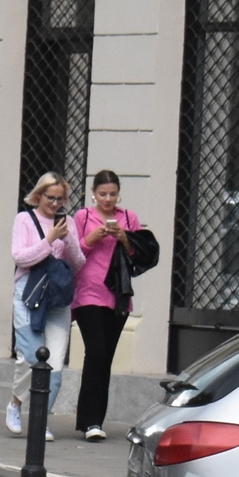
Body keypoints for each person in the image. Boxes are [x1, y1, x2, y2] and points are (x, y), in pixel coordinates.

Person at [69, 168, 146, 443]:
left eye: (113, 194)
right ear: (93, 193)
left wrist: (124, 237)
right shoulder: (83, 217)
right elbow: (72, 251)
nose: (108, 199)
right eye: (103, 194)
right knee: (96, 351)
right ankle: (88, 419)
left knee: (106, 357)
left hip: (117, 294)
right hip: (88, 292)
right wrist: (92, 238)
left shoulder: (129, 217)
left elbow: (140, 252)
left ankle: (96, 420)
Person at [6, 171, 78, 439]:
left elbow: (78, 262)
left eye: (61, 199)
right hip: (29, 293)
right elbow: (21, 257)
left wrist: (67, 239)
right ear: (39, 195)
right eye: (51, 198)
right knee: (32, 356)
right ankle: (15, 404)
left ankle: (40, 420)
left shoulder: (67, 222)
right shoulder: (24, 219)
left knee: (56, 365)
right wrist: (49, 240)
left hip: (57, 297)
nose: (56, 204)